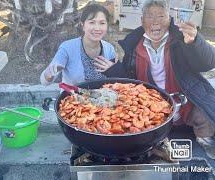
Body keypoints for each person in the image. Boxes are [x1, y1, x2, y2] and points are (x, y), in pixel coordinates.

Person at [118, 0, 215, 159]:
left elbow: (208, 62)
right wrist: (113, 69)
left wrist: (195, 42)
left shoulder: (182, 39)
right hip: (152, 107)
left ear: (169, 20)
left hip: (186, 101)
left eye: (161, 16)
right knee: (141, 134)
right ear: (142, 21)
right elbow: (129, 81)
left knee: (204, 118)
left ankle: (205, 143)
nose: (155, 21)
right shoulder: (133, 47)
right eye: (150, 16)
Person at [40, 3, 121, 86]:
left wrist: (114, 69)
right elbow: (44, 82)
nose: (97, 28)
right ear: (83, 25)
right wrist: (49, 74)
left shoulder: (109, 49)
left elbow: (116, 82)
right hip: (72, 97)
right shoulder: (67, 48)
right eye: (92, 22)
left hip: (104, 98)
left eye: (102, 23)